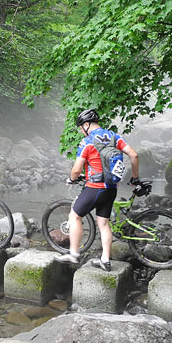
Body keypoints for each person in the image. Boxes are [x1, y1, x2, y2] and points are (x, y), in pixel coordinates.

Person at [56, 109, 140, 271]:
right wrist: (134, 178)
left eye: (81, 127)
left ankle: (73, 254)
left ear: (87, 124)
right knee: (103, 223)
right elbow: (134, 155)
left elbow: (76, 169)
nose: (81, 131)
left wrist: (72, 179)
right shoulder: (115, 137)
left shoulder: (87, 142)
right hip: (111, 188)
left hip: (94, 188)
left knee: (74, 216)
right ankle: (105, 260)